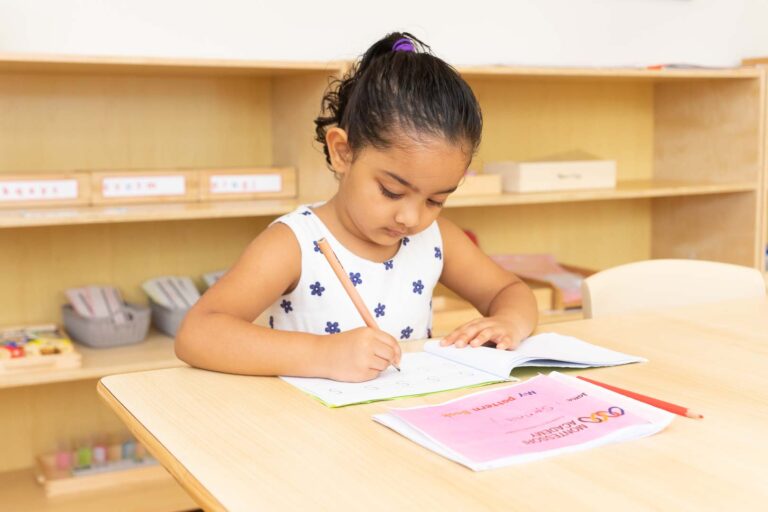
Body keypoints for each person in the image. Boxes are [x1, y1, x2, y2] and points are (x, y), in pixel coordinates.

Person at [176, 32, 538, 382]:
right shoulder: (295, 243)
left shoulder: (436, 238)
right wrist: (323, 355)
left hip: (402, 419)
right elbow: (198, 334)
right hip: (306, 431)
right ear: (342, 152)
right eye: (392, 191)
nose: (411, 218)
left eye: (435, 200)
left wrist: (509, 323)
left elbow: (510, 291)